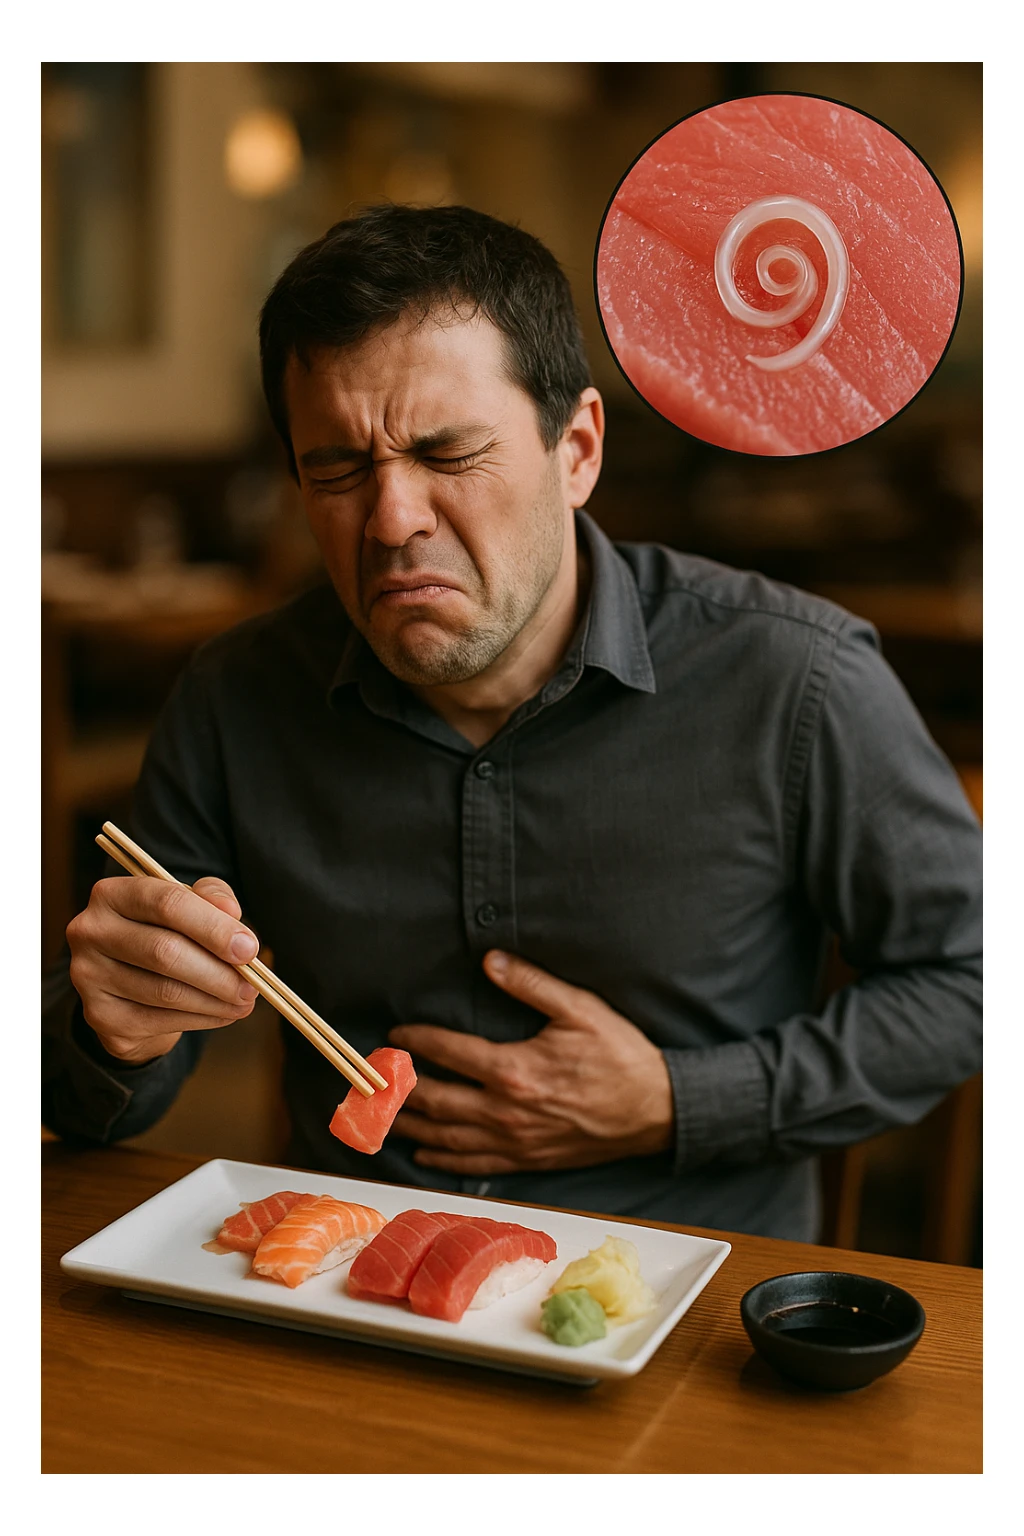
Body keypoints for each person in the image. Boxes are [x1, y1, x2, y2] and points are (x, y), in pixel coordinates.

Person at [43, 204, 982, 1241]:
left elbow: (972, 978)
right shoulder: (235, 696)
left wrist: (679, 1099)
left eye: (447, 456)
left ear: (575, 450)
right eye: (338, 469)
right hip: (344, 1288)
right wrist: (112, 1028)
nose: (392, 520)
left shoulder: (792, 679)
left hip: (699, 1305)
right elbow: (96, 1089)